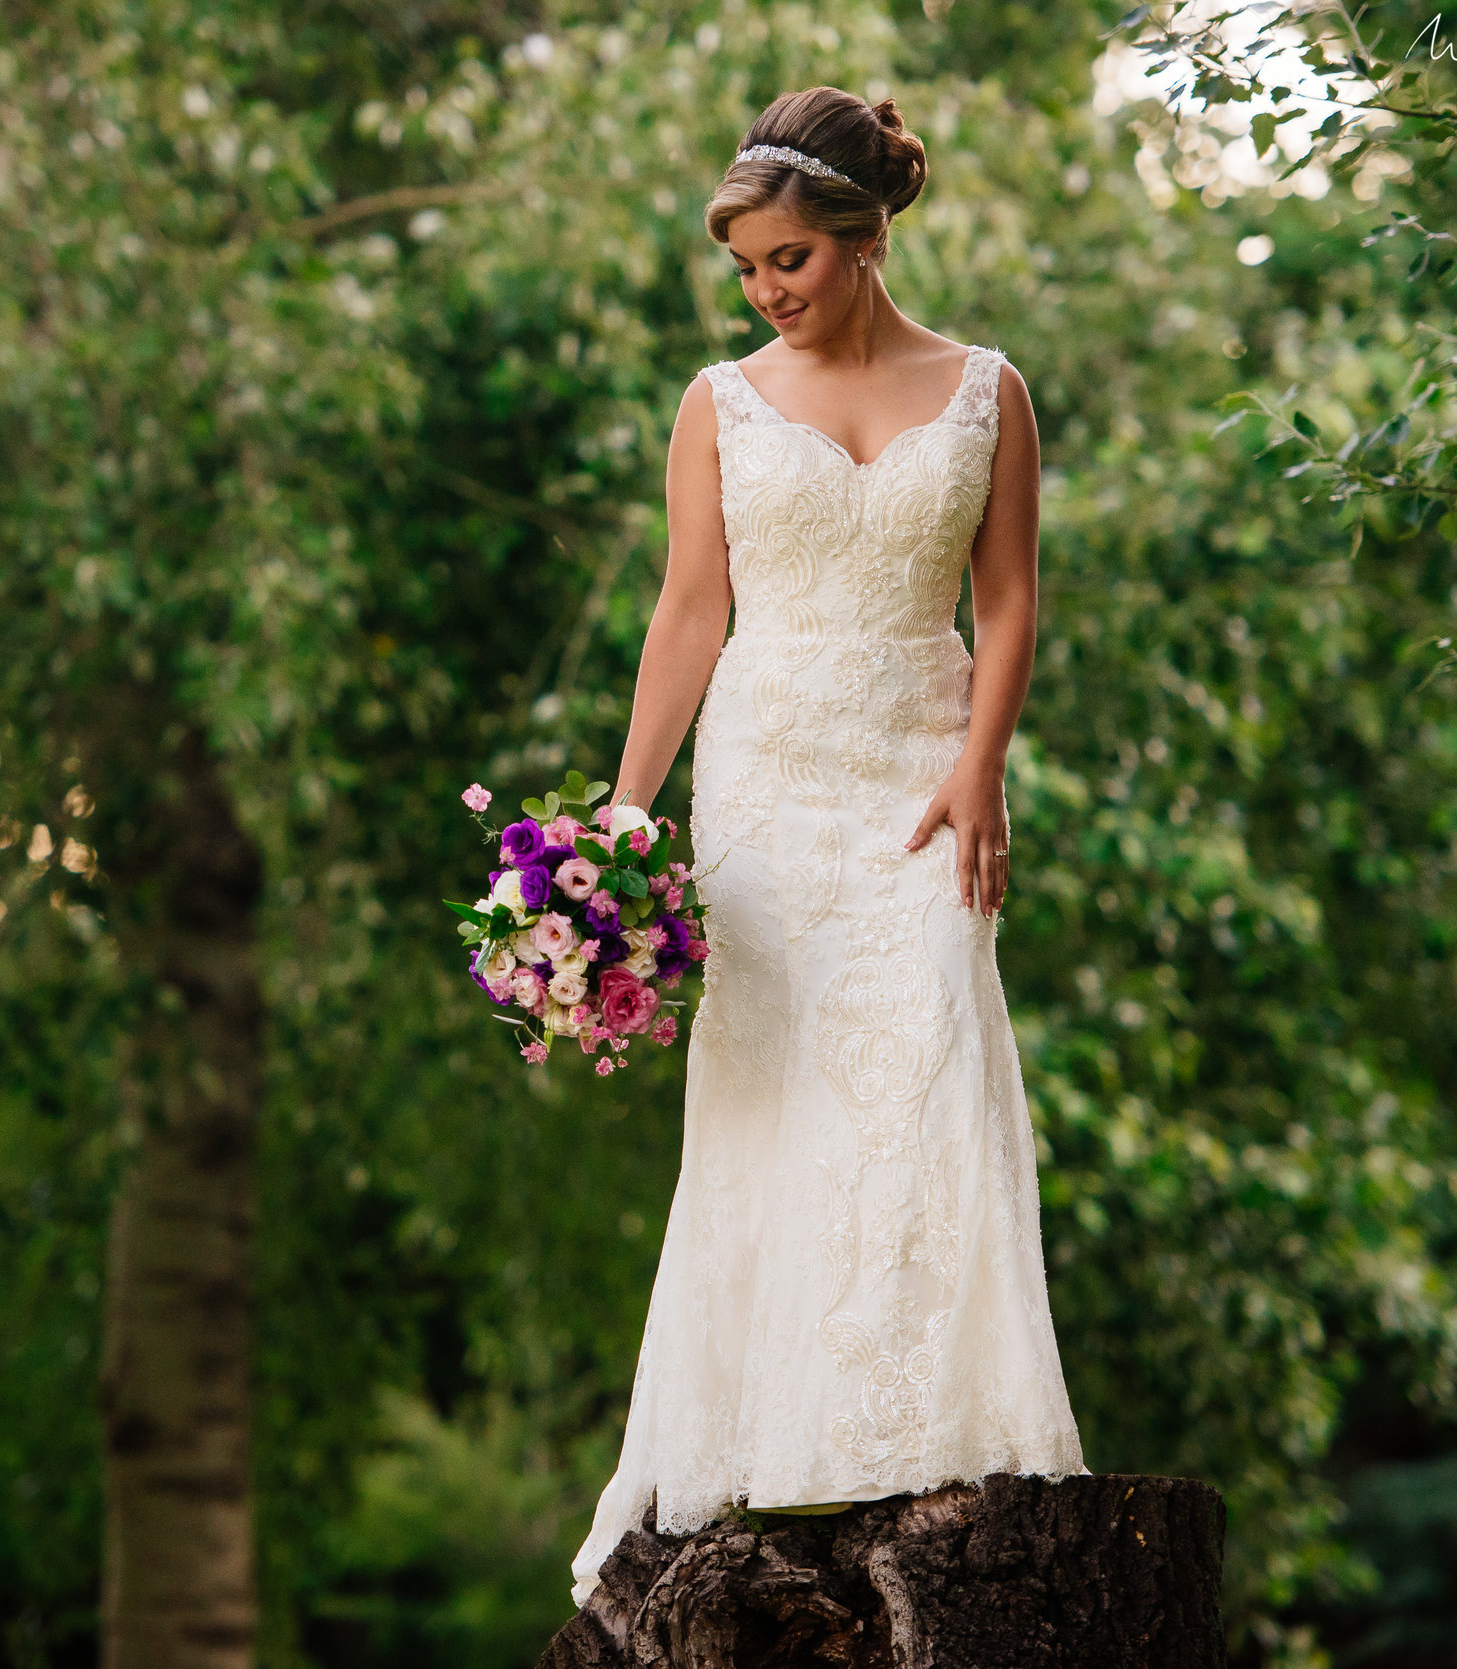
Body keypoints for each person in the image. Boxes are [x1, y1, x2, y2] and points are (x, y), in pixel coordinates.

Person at [569, 86, 1087, 1608]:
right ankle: (761, 1431)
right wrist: (625, 806)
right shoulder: (717, 403)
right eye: (748, 270)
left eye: (788, 259)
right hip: (768, 779)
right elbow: (688, 610)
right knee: (774, 1087)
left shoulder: (989, 389)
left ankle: (933, 1427)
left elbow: (1008, 602)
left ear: (861, 241)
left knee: (927, 1047)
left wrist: (982, 770)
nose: (766, 290)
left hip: (922, 775)